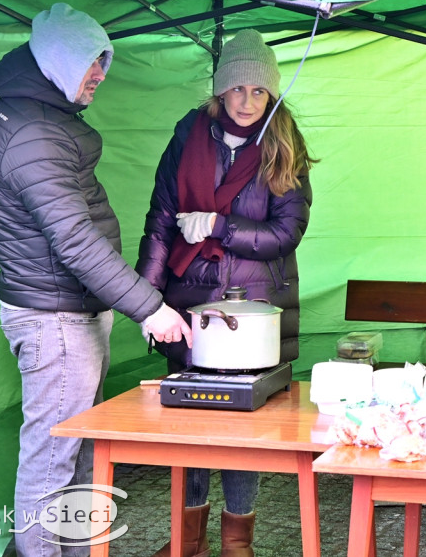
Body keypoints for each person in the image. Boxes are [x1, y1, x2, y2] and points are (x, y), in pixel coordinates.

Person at [0, 2, 191, 557]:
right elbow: (74, 240)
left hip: (65, 313)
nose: (100, 73)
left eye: (104, 61)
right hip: (56, 321)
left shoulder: (39, 117)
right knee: (52, 461)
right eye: (91, 62)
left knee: (69, 453)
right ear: (57, 61)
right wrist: (150, 307)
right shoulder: (33, 134)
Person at [136, 29, 316, 557]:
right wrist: (148, 303)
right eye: (236, 89)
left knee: (243, 430)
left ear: (272, 94)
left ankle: (238, 543)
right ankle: (187, 540)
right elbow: (160, 220)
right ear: (219, 90)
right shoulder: (188, 133)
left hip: (256, 310)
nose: (246, 101)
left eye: (258, 91)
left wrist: (219, 224)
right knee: (190, 425)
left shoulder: (284, 143)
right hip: (190, 301)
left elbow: (286, 234)